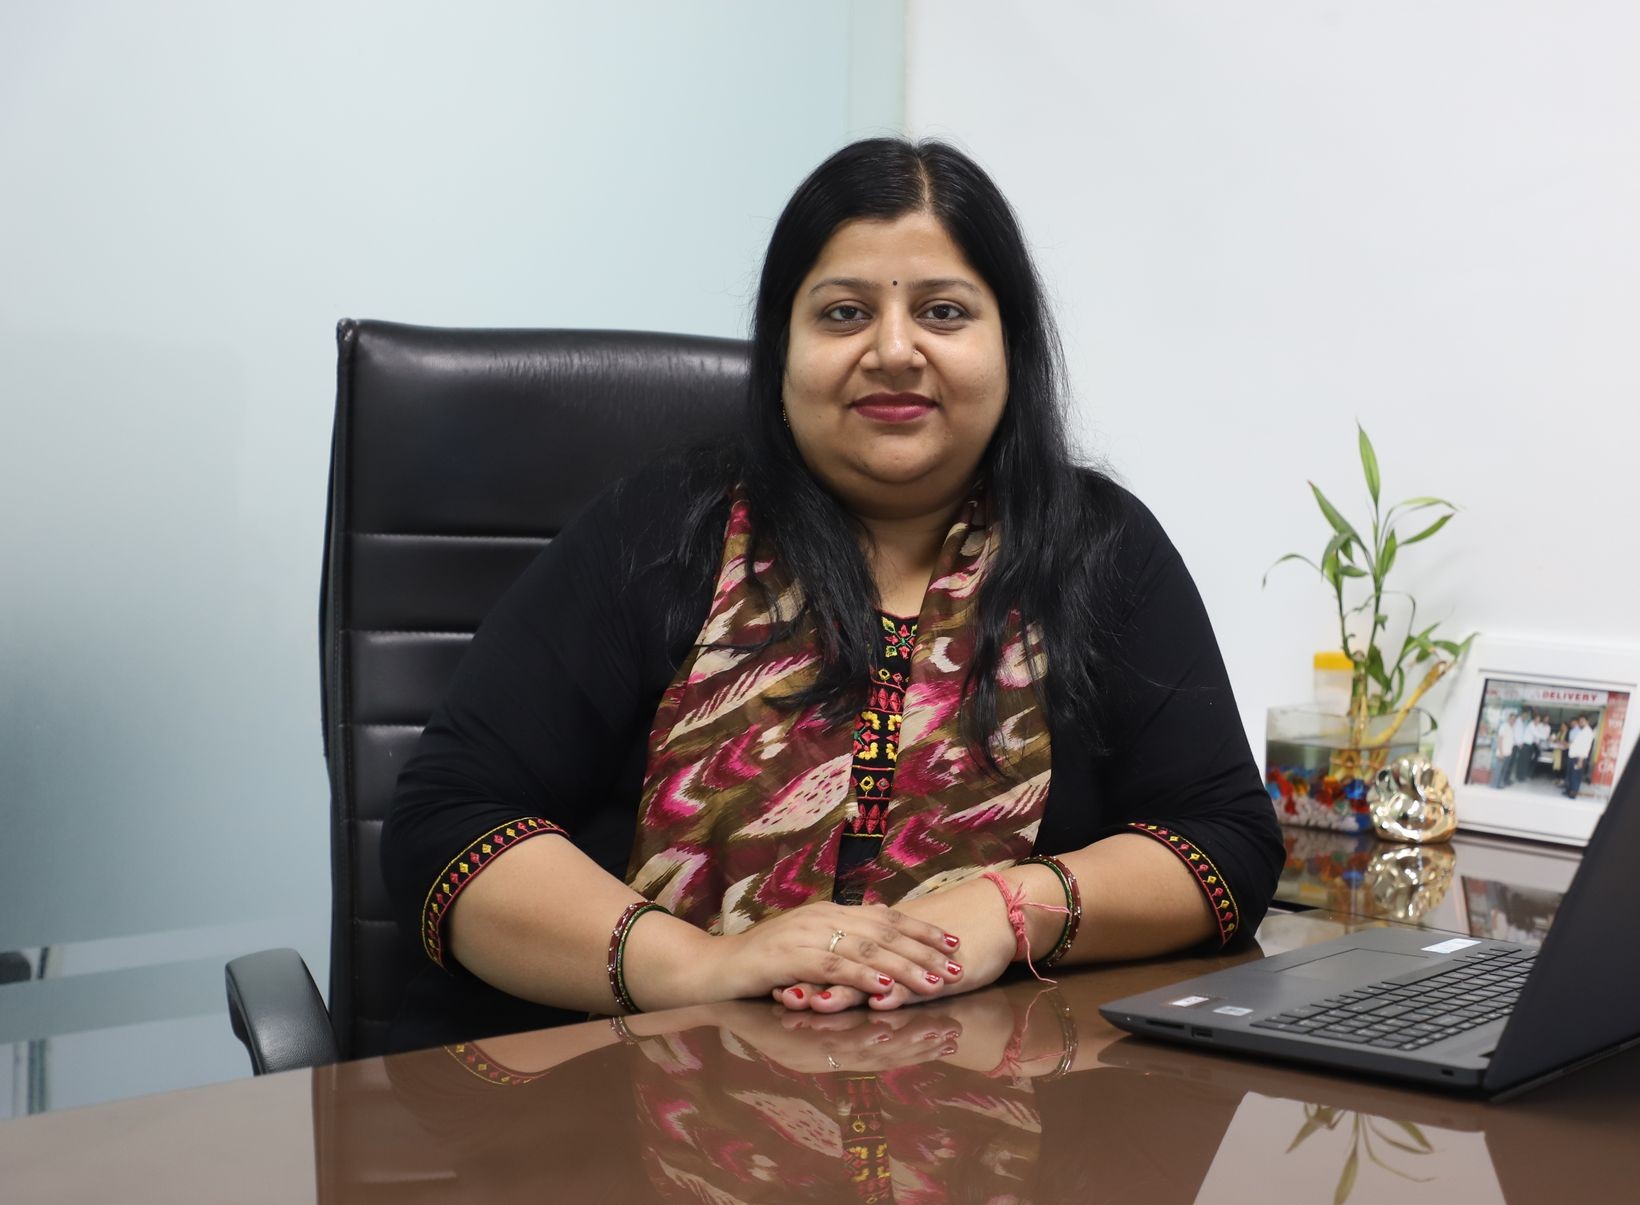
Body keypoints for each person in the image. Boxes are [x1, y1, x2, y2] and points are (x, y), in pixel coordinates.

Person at [382, 138, 1286, 1031]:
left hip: (990, 1139)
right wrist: (702, 966)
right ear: (782, 355)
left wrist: (1005, 914)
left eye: (943, 312)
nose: (894, 351)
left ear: (1012, 350)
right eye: (845, 314)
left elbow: (1224, 843)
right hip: (629, 1116)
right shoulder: (661, 533)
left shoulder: (1100, 550)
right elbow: (450, 823)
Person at [1565, 715, 1596, 799]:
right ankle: (1569, 790)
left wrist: (1580, 760)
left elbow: (1586, 748)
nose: (1581, 722)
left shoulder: (1588, 732)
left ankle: (1573, 793)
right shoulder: (1582, 731)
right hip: (1573, 756)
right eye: (1580, 721)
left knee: (1576, 776)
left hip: (1579, 758)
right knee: (1571, 775)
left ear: (1587, 722)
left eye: (1583, 721)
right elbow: (1576, 743)